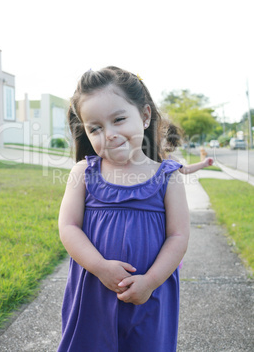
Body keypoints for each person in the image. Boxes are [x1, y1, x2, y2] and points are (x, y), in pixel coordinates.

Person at [57, 66, 190, 352]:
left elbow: (178, 236)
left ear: (144, 116)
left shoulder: (168, 176)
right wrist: (100, 267)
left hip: (149, 293)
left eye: (119, 119)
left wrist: (150, 282)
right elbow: (68, 227)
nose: (110, 134)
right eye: (96, 128)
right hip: (93, 288)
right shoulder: (83, 173)